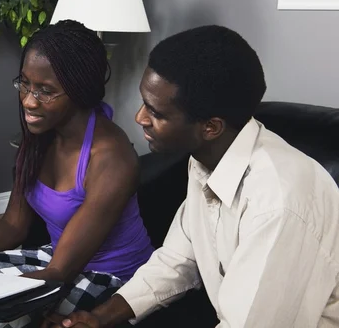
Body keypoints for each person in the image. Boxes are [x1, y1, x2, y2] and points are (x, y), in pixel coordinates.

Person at [45, 25, 339, 327]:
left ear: (210, 127)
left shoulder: (279, 203)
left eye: (155, 113)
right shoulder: (207, 159)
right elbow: (177, 260)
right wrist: (97, 318)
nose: (139, 118)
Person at [0, 20, 154, 327]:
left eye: (45, 91)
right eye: (25, 84)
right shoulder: (40, 136)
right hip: (57, 258)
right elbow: (12, 226)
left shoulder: (111, 157)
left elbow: (60, 273)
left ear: (80, 92)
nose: (29, 100)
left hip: (112, 278)